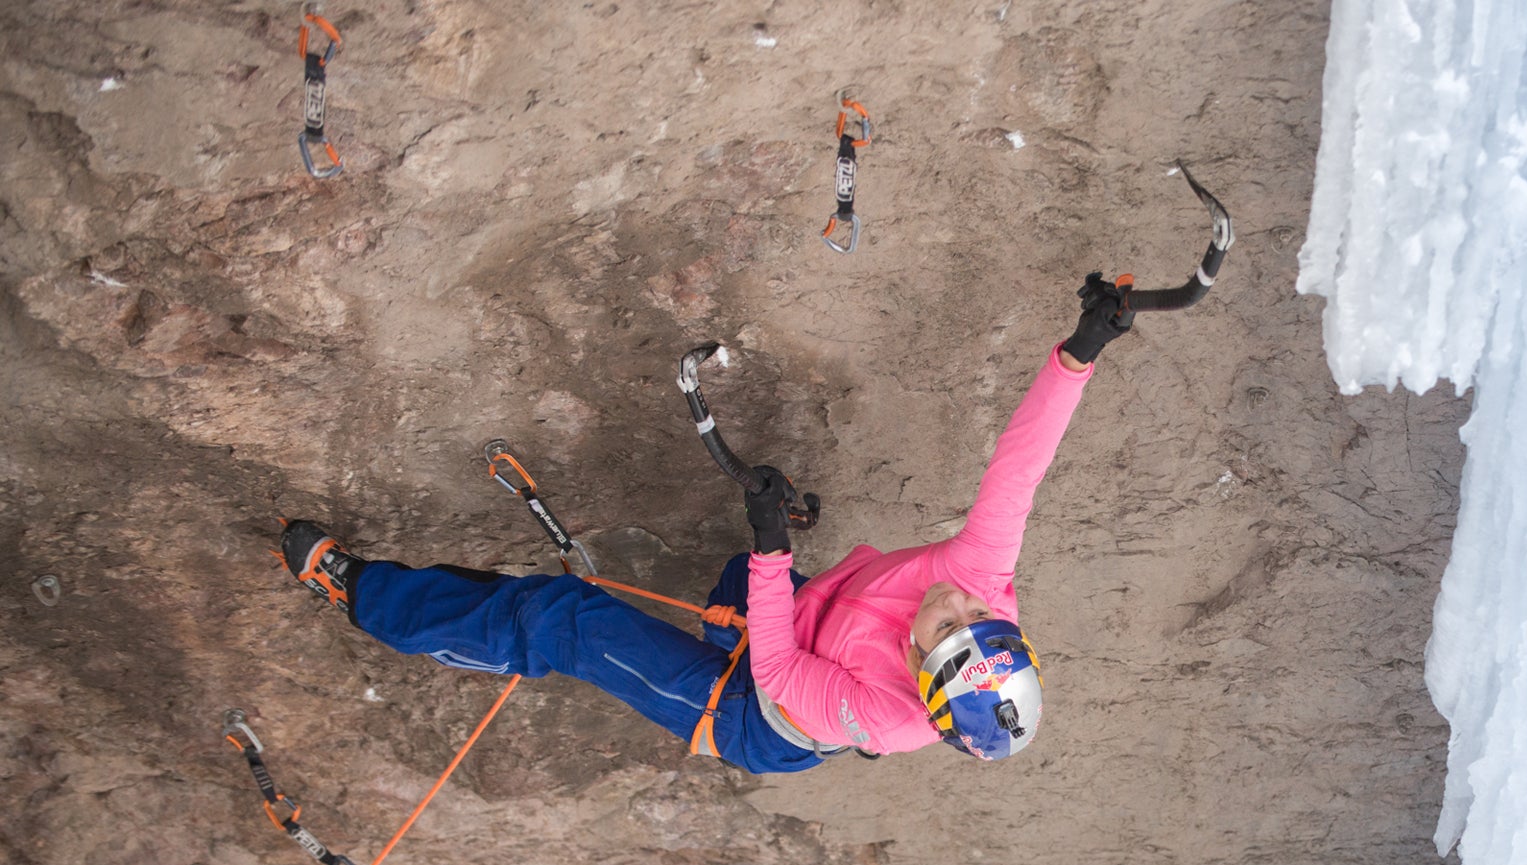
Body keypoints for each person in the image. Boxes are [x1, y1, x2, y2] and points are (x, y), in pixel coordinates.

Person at [276, 276, 1136, 773]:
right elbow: (1020, 470)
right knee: (734, 578)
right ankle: (743, 580)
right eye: (982, 621)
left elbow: (779, 668)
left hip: (754, 711)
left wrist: (775, 550)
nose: (960, 601)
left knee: (564, 621)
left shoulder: (882, 715)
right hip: (805, 619)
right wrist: (1077, 357)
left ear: (918, 667)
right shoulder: (981, 585)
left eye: (948, 626)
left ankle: (359, 594)